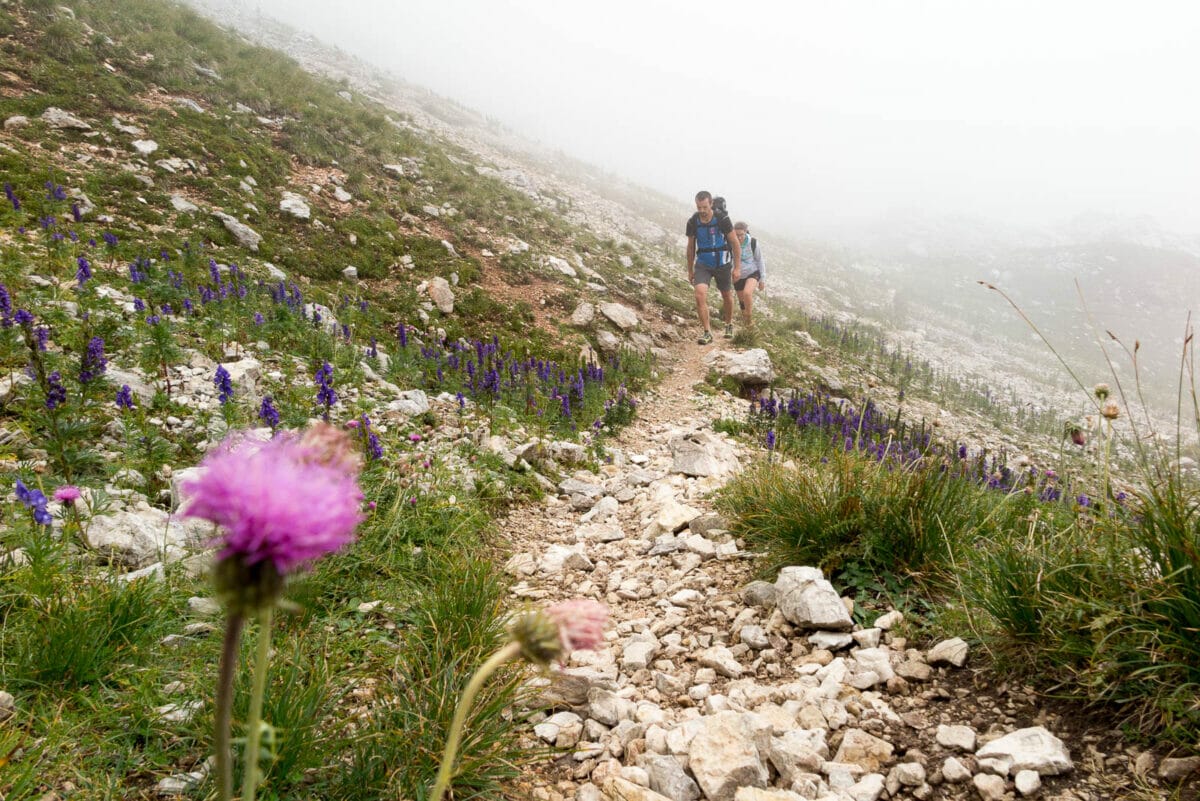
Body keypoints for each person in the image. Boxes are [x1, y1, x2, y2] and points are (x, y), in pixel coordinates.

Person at [685, 191, 741, 344]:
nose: (701, 211)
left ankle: (729, 324)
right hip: (703, 263)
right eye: (699, 207)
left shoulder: (722, 219)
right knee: (699, 294)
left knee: (727, 296)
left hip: (722, 262)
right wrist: (690, 270)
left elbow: (735, 243)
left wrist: (737, 268)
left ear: (711, 204)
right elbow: (690, 248)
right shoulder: (693, 222)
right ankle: (707, 332)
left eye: (704, 207)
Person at [732, 221, 766, 327]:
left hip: (752, 272)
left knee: (747, 293)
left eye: (741, 235)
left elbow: (760, 260)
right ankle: (746, 324)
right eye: (736, 235)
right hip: (738, 275)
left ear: (746, 232)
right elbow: (727, 259)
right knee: (742, 301)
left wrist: (762, 279)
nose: (739, 237)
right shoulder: (731, 243)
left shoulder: (753, 243)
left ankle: (749, 318)